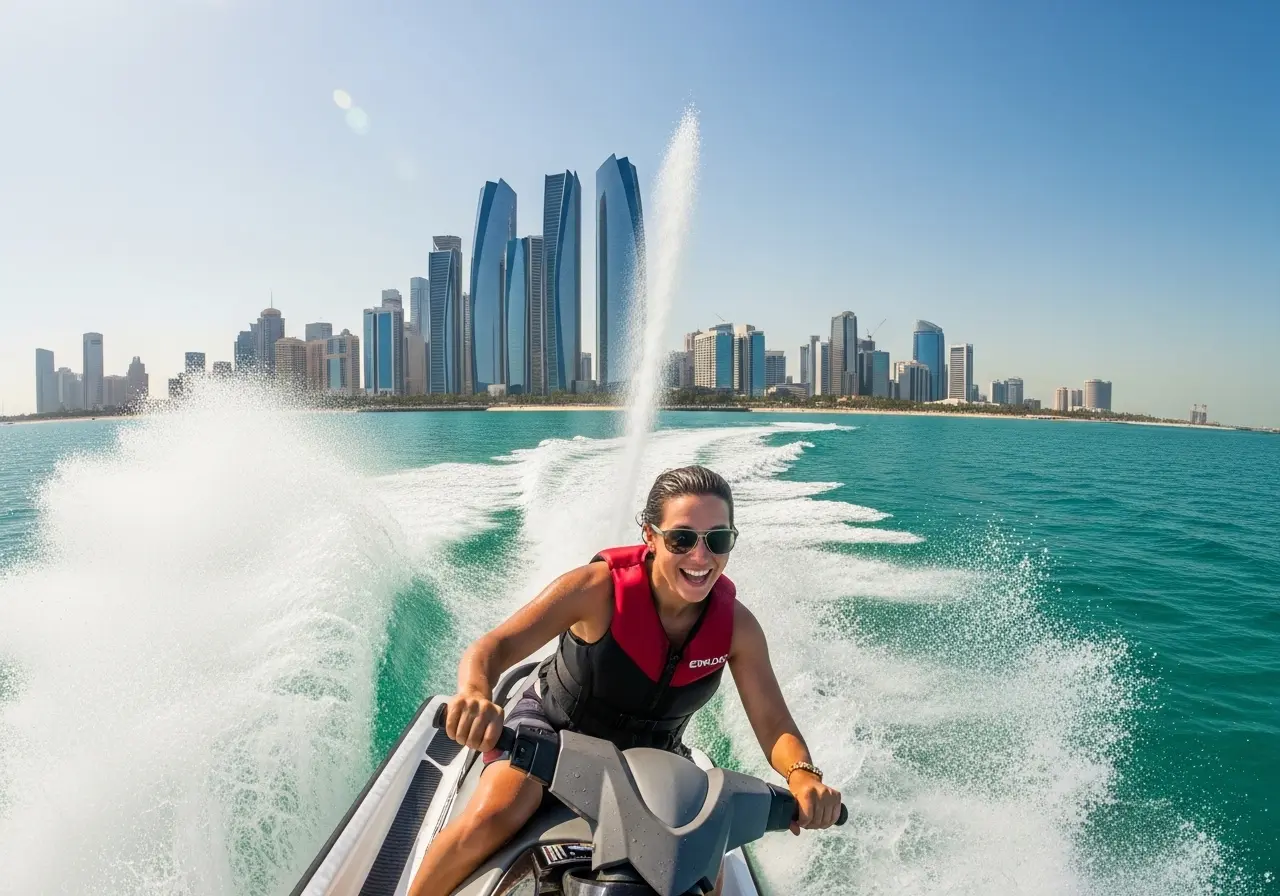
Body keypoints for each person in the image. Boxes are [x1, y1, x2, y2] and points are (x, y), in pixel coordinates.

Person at [409, 465, 842, 896]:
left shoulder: (738, 628)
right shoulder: (596, 589)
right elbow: (494, 648)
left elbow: (774, 725)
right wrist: (474, 695)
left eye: (718, 540)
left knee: (703, 875)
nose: (700, 556)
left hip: (653, 760)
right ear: (650, 536)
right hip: (551, 736)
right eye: (682, 538)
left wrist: (802, 775)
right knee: (501, 810)